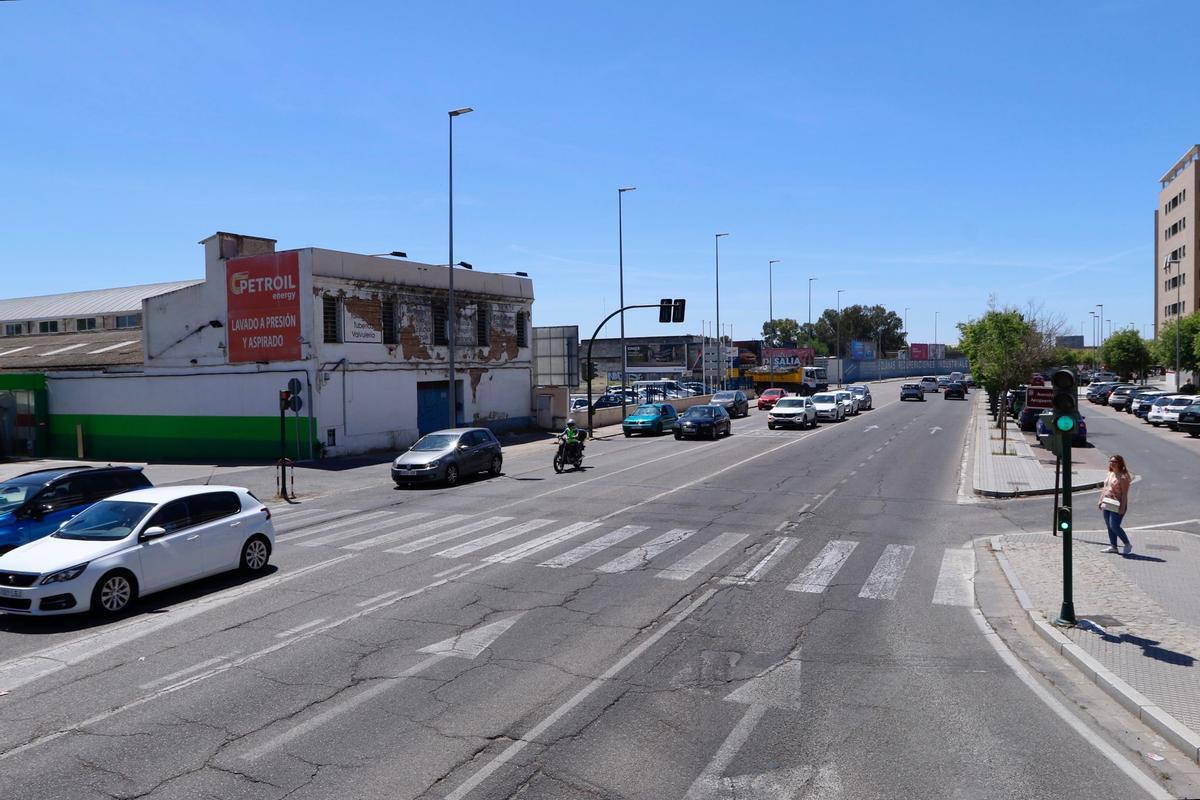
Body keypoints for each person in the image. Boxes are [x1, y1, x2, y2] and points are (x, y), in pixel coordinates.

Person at [1099, 454, 1132, 555]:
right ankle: (1113, 546)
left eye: (1114, 462)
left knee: (1114, 526)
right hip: (1107, 502)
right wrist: (1100, 500)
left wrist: (1122, 507)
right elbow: (1105, 488)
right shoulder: (1110, 473)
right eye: (1111, 461)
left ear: (1120, 463)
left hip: (1117, 504)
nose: (1112, 463)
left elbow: (1124, 494)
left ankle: (1127, 544)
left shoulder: (1123, 477)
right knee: (1109, 525)